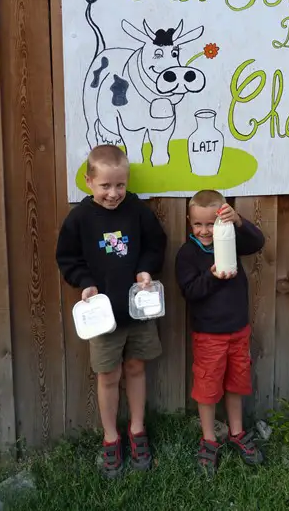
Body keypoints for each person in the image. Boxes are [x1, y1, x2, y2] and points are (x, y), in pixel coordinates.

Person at [56, 145, 166, 479]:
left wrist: (147, 270)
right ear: (89, 182)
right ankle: (110, 437)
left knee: (135, 368)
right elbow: (68, 259)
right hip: (102, 317)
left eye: (120, 184)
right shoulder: (79, 219)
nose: (114, 193)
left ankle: (136, 430)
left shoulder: (138, 211)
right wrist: (85, 283)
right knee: (108, 376)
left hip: (138, 310)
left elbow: (155, 244)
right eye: (105, 185)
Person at [175, 189, 265, 474]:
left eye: (210, 224)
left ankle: (237, 432)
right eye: (197, 225)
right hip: (209, 334)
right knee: (208, 387)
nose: (204, 230)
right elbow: (190, 291)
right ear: (190, 223)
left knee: (237, 382)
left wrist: (238, 221)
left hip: (238, 330)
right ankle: (209, 439)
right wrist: (212, 277)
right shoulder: (187, 254)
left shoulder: (230, 239)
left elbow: (257, 242)